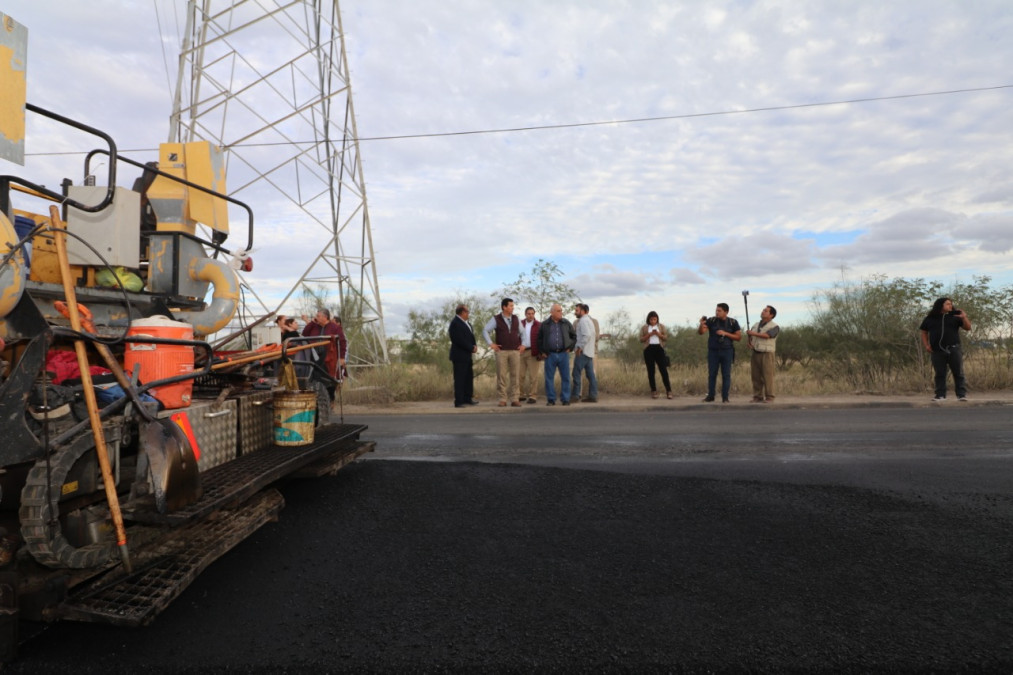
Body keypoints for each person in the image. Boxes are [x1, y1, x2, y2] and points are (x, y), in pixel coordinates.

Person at [919, 298, 971, 402]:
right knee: (940, 373)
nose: (950, 306)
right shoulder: (930, 318)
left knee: (958, 372)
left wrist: (964, 318)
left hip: (954, 348)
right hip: (937, 350)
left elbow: (968, 327)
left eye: (951, 304)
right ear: (940, 305)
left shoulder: (955, 317)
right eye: (947, 304)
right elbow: (924, 331)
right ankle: (940, 395)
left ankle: (961, 395)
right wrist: (926, 345)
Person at [482, 298, 523, 407]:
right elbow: (485, 330)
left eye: (513, 306)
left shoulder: (516, 319)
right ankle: (502, 399)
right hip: (501, 351)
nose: (512, 308)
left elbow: (523, 333)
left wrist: (523, 345)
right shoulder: (496, 319)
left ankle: (515, 399)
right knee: (502, 376)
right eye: (510, 306)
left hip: (515, 351)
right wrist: (491, 344)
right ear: (504, 307)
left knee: (515, 375)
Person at [698, 303, 741, 402]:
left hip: (727, 351)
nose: (717, 312)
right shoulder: (711, 321)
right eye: (716, 310)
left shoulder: (733, 322)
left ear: (726, 312)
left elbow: (738, 337)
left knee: (726, 374)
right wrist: (701, 324)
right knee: (712, 374)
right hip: (713, 351)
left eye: (719, 311)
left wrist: (725, 333)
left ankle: (725, 397)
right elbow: (701, 332)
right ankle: (711, 396)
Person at [301, 308, 347, 400]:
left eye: (318, 316)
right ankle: (320, 399)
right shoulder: (314, 326)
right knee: (316, 377)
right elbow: (305, 333)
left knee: (329, 378)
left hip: (329, 357)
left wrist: (342, 357)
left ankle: (330, 398)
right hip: (314, 356)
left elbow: (342, 342)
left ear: (325, 317)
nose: (316, 317)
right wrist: (312, 323)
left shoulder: (334, 327)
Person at [535, 303, 576, 406]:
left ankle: (565, 399)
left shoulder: (566, 323)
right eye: (558, 311)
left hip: (563, 354)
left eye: (561, 310)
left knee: (566, 377)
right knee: (549, 378)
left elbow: (574, 336)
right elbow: (539, 339)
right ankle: (551, 399)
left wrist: (570, 347)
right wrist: (542, 352)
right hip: (550, 355)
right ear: (551, 312)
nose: (560, 312)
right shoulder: (545, 324)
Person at [746, 305, 780, 403]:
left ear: (771, 315)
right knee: (755, 376)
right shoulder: (756, 324)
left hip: (767, 354)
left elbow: (767, 335)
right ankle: (757, 396)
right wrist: (749, 342)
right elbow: (751, 336)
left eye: (766, 311)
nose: (763, 312)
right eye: (763, 310)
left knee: (768, 376)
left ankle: (770, 396)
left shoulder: (775, 326)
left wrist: (753, 334)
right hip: (755, 352)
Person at [448, 304, 479, 408]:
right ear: (462, 312)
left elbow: (470, 336)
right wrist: (470, 347)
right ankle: (459, 401)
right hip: (459, 356)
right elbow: (458, 340)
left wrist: (474, 346)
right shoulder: (455, 323)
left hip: (467, 355)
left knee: (468, 377)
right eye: (467, 312)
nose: (468, 313)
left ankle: (467, 398)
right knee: (460, 379)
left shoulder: (467, 323)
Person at [639, 311, 673, 399]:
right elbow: (641, 339)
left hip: (659, 349)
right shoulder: (645, 327)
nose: (653, 321)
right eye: (651, 319)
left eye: (654, 319)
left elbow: (665, 338)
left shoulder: (661, 326)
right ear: (648, 319)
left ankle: (669, 391)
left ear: (657, 319)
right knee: (651, 371)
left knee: (663, 370)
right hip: (649, 349)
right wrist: (649, 334)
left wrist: (658, 334)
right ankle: (654, 391)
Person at [571, 303, 598, 403]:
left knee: (576, 373)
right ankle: (593, 395)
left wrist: (580, 348)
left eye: (577, 310)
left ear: (583, 311)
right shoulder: (589, 320)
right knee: (591, 375)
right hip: (589, 352)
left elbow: (586, 335)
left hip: (583, 352)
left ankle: (576, 395)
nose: (575, 312)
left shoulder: (583, 321)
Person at [519, 306, 541, 403]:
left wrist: (540, 353)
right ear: (525, 314)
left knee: (533, 376)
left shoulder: (538, 325)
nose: (531, 315)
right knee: (520, 375)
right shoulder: (520, 324)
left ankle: (533, 396)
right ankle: (520, 394)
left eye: (532, 313)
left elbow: (541, 340)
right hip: (521, 352)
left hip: (533, 352)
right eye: (529, 313)